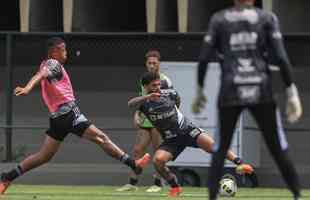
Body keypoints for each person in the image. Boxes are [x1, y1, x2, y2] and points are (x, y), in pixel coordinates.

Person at [0, 37, 150, 194]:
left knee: (43, 156)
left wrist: (28, 87)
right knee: (101, 138)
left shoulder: (48, 64)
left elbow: (40, 74)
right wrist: (27, 88)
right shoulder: (53, 63)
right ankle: (133, 164)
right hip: (69, 113)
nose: (66, 52)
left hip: (58, 118)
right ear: (54, 51)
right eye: (63, 49)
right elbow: (40, 75)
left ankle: (7, 177)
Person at [192, 0, 302, 199]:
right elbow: (281, 57)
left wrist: (200, 90)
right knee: (277, 146)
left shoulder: (219, 19)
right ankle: (296, 195)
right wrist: (291, 91)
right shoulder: (267, 18)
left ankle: (212, 198)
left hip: (230, 89)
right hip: (261, 89)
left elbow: (203, 58)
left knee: (220, 148)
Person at [128, 72, 254, 197]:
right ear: (146, 87)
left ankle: (241, 163)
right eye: (153, 85)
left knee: (213, 146)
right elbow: (130, 104)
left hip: (187, 130)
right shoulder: (144, 103)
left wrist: (175, 117)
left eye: (158, 84)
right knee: (158, 161)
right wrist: (146, 99)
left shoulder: (170, 93)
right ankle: (175, 187)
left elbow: (177, 101)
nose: (157, 88)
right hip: (171, 139)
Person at [117, 50, 179, 193]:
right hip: (146, 119)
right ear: (146, 64)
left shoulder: (165, 81)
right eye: (149, 63)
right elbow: (142, 99)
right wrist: (137, 114)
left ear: (159, 64)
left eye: (154, 63)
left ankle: (158, 184)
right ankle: (132, 183)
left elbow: (173, 100)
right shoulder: (144, 80)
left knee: (158, 151)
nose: (151, 65)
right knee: (138, 150)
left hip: (160, 120)